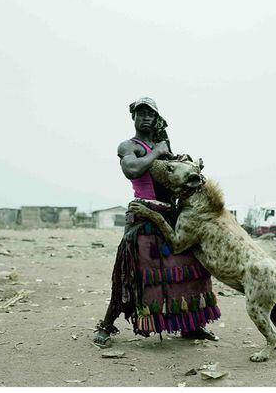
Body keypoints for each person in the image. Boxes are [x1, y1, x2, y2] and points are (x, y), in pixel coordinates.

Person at [93, 97, 221, 347]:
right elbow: (131, 169)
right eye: (141, 114)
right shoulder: (129, 146)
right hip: (143, 218)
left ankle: (191, 326)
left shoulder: (163, 145)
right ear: (133, 118)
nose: (146, 118)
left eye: (150, 114)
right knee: (130, 276)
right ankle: (107, 326)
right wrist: (159, 152)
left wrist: (182, 162)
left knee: (191, 270)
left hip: (171, 218)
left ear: (157, 118)